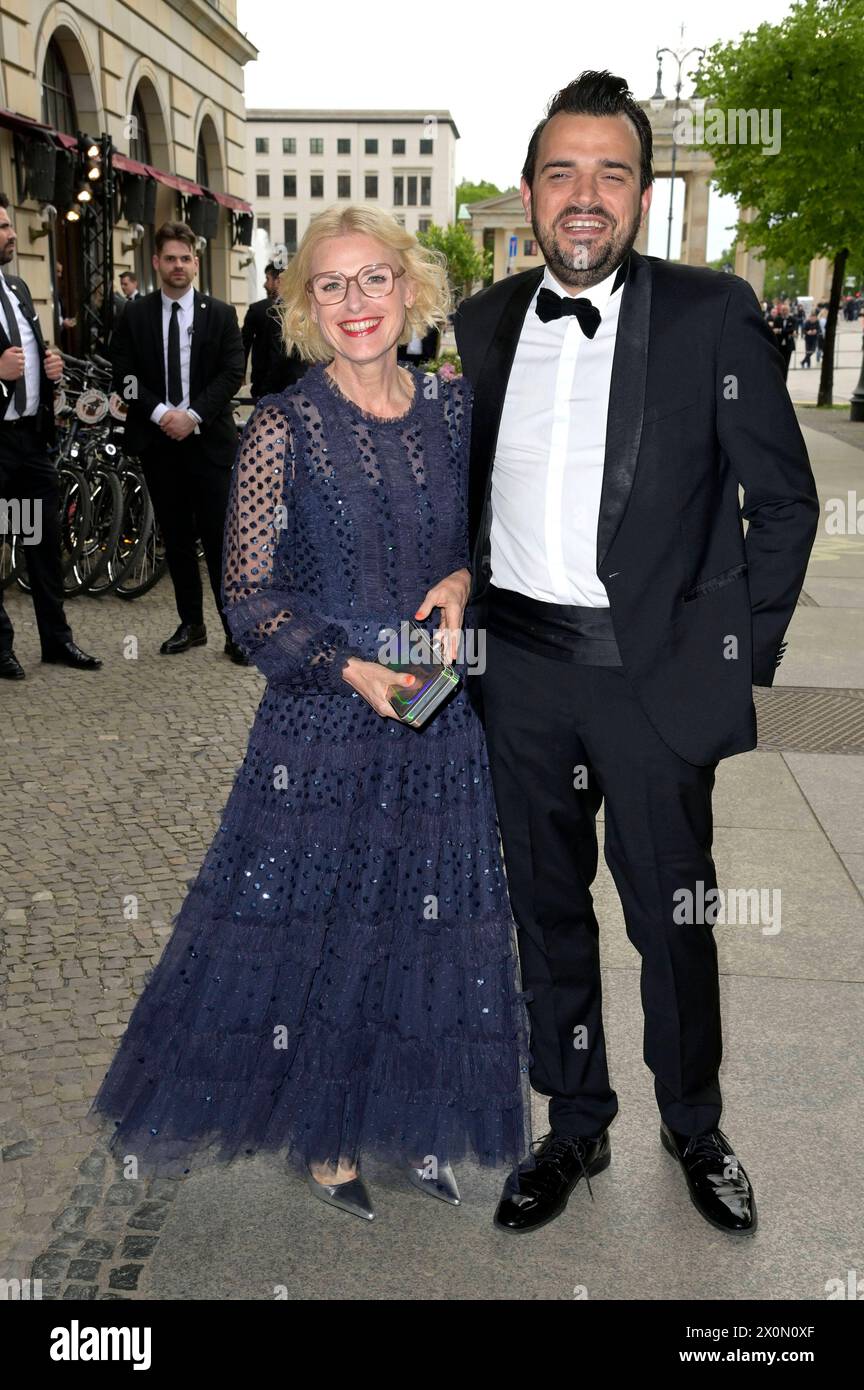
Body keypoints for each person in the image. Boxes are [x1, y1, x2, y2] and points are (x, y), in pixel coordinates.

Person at [89, 204, 532, 1221]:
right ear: (303, 309)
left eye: (373, 278)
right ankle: (328, 1133)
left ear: (411, 289)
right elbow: (249, 597)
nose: (355, 302)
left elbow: (479, 537)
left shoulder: (457, 409)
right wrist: (344, 666)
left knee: (427, 924)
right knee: (319, 927)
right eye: (329, 286)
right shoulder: (282, 426)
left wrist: (461, 582)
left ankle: (415, 1121)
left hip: (434, 708)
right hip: (324, 719)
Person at [454, 70, 818, 1237]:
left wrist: (731, 660)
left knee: (673, 912)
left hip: (655, 678)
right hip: (520, 674)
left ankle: (695, 1120)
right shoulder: (486, 323)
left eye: (611, 172)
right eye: (562, 171)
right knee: (546, 907)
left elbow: (787, 503)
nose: (584, 195)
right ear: (528, 192)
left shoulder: (714, 312)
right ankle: (574, 1120)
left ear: (645, 196)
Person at [110, 221, 246, 661]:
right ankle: (191, 624)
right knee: (177, 539)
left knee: (222, 542)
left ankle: (235, 631)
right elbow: (123, 378)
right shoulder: (135, 314)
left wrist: (191, 415)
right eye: (170, 258)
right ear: (156, 263)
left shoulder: (221, 314)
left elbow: (232, 374)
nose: (178, 266)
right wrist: (159, 413)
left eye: (185, 258)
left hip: (208, 444)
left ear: (195, 262)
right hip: (159, 444)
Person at [0, 194, 102, 679]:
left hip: (29, 443)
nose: (10, 233)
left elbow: (30, 355)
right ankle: (0, 645)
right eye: (0, 227)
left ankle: (56, 640)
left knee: (41, 541)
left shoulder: (17, 287)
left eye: (7, 225)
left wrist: (50, 366)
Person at [242, 263, 307, 399]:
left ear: (278, 281)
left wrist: (263, 388)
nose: (265, 285)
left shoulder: (264, 310)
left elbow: (275, 354)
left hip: (272, 386)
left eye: (267, 279)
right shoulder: (303, 308)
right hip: (299, 383)